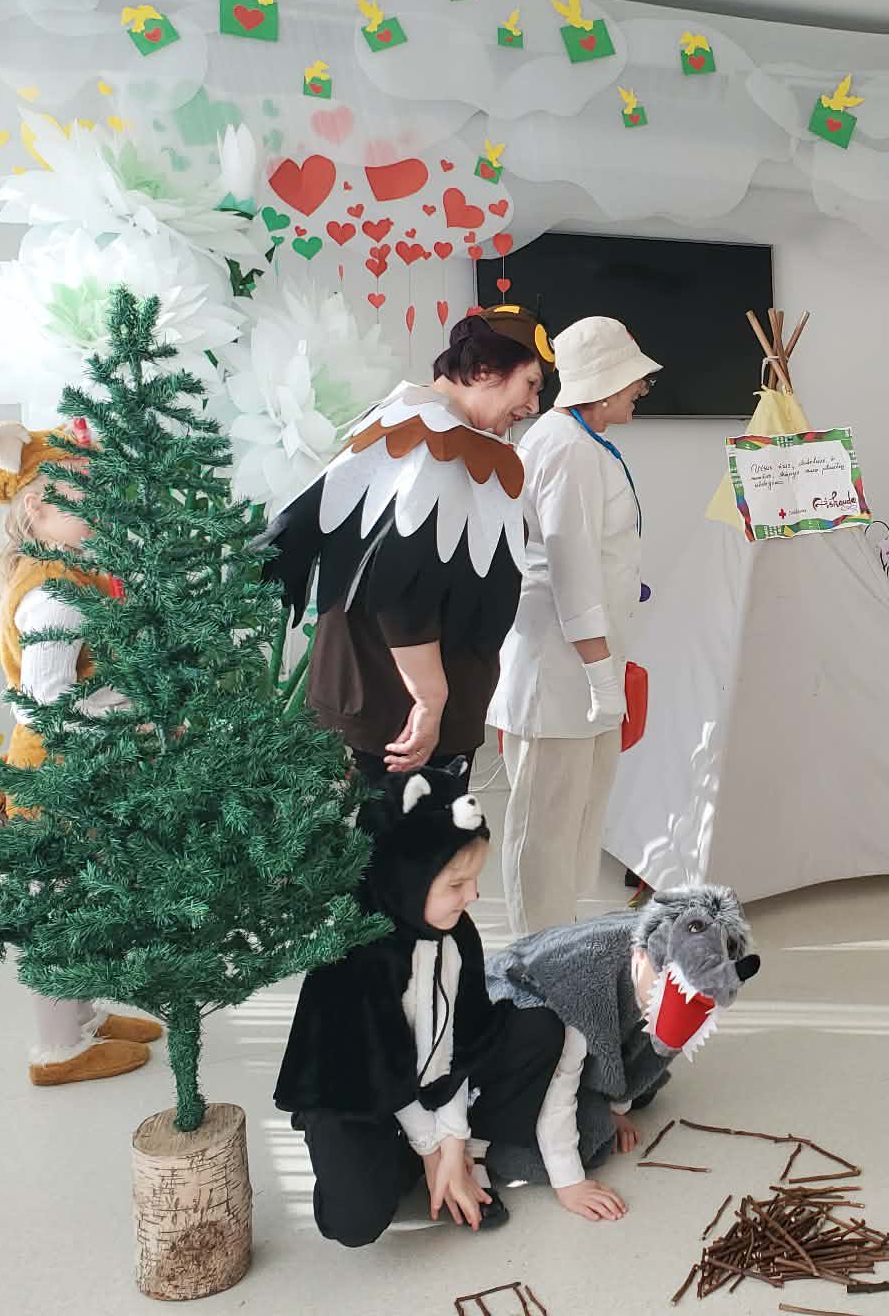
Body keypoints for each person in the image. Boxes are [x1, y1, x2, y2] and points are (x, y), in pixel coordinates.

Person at [274, 759, 568, 1247]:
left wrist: (455, 1143)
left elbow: (462, 1038)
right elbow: (382, 1066)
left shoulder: (457, 933)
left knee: (538, 1030)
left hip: (425, 1075)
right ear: (403, 877)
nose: (473, 895)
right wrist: (432, 1150)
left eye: (473, 880)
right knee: (354, 1222)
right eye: (456, 885)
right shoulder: (356, 955)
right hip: (358, 1089)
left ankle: (467, 1157)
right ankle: (401, 1158)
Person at [263, 306, 551, 795]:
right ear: (484, 370)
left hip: (371, 700)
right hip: (402, 721)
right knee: (415, 842)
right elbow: (403, 590)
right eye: (530, 383)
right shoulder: (438, 445)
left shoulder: (399, 424)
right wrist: (429, 700)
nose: (533, 404)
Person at [0, 421, 164, 1086]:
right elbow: (45, 703)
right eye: (83, 492)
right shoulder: (55, 594)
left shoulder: (67, 574)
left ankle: (82, 1016)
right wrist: (126, 714)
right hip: (58, 777)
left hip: (76, 769)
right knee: (59, 909)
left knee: (78, 900)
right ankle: (57, 1050)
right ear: (37, 507)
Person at [490, 316, 661, 935]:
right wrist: (599, 675)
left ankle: (559, 943)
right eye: (635, 380)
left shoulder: (582, 442)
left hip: (582, 658)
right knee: (546, 824)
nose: (641, 390)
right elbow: (569, 569)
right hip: (560, 666)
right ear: (605, 383)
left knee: (575, 814)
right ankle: (535, 958)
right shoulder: (565, 447)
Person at [483, 885, 761, 1221]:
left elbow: (648, 1044)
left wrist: (618, 1105)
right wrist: (570, 1183)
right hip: (521, 1007)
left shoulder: (651, 968)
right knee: (587, 1137)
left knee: (643, 1090)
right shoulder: (581, 992)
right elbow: (557, 1089)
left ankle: (606, 1095)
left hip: (586, 1019)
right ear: (642, 956)